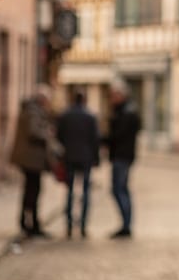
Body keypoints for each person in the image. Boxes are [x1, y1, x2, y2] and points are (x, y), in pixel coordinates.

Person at [10, 84, 58, 238]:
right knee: (32, 191)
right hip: (31, 159)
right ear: (42, 99)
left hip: (32, 159)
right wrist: (48, 133)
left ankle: (30, 222)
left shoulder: (32, 110)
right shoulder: (33, 111)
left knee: (32, 191)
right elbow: (34, 131)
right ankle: (30, 224)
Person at [56, 90, 100, 239]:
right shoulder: (90, 117)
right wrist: (96, 159)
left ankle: (68, 225)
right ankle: (82, 225)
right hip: (86, 158)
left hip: (69, 157)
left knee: (70, 191)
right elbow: (95, 140)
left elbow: (59, 137)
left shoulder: (65, 116)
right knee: (85, 192)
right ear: (84, 100)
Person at [104, 84, 141, 239]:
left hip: (122, 156)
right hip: (123, 156)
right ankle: (126, 224)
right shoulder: (125, 111)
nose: (112, 99)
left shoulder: (126, 113)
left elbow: (117, 136)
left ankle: (126, 225)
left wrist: (100, 139)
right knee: (121, 189)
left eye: (114, 96)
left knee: (119, 189)